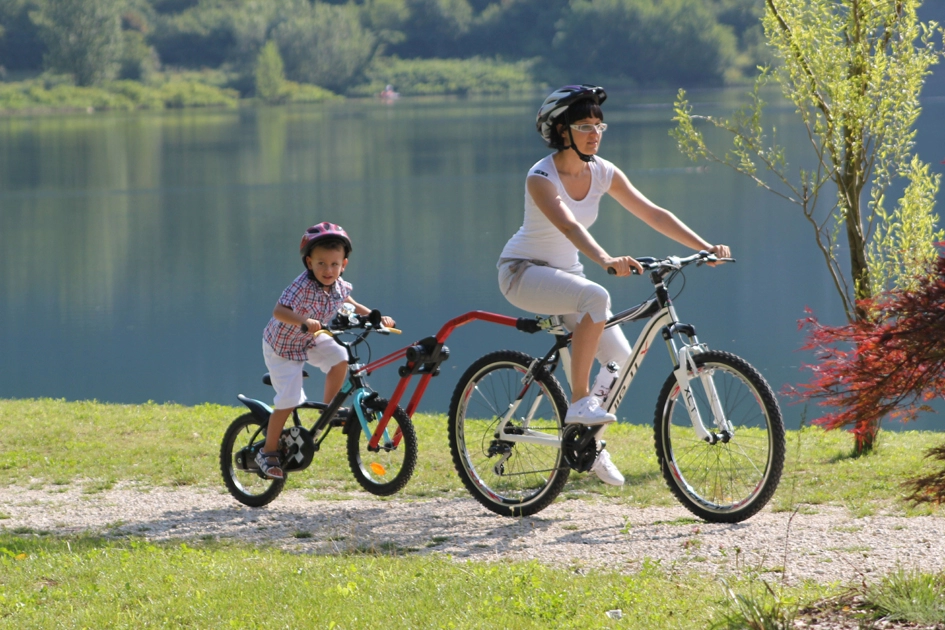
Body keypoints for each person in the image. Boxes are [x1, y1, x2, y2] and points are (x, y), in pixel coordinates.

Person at [497, 85, 730, 486]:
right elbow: (569, 226)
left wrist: (705, 248)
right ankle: (579, 402)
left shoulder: (603, 171)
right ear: (561, 130)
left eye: (599, 124)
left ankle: (588, 444)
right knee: (596, 295)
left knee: (620, 360)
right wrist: (605, 260)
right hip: (522, 272)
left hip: (566, 279)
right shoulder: (540, 177)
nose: (595, 132)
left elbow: (654, 213)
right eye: (585, 125)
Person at [258, 222, 396, 480]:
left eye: (334, 264)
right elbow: (279, 311)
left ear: (344, 264)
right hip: (282, 346)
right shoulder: (300, 286)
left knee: (340, 356)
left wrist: (377, 317)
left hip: (312, 340)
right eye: (321, 263)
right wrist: (302, 320)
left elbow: (351, 303)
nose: (328, 270)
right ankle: (268, 452)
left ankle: (328, 409)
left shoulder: (340, 286)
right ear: (309, 263)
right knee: (289, 399)